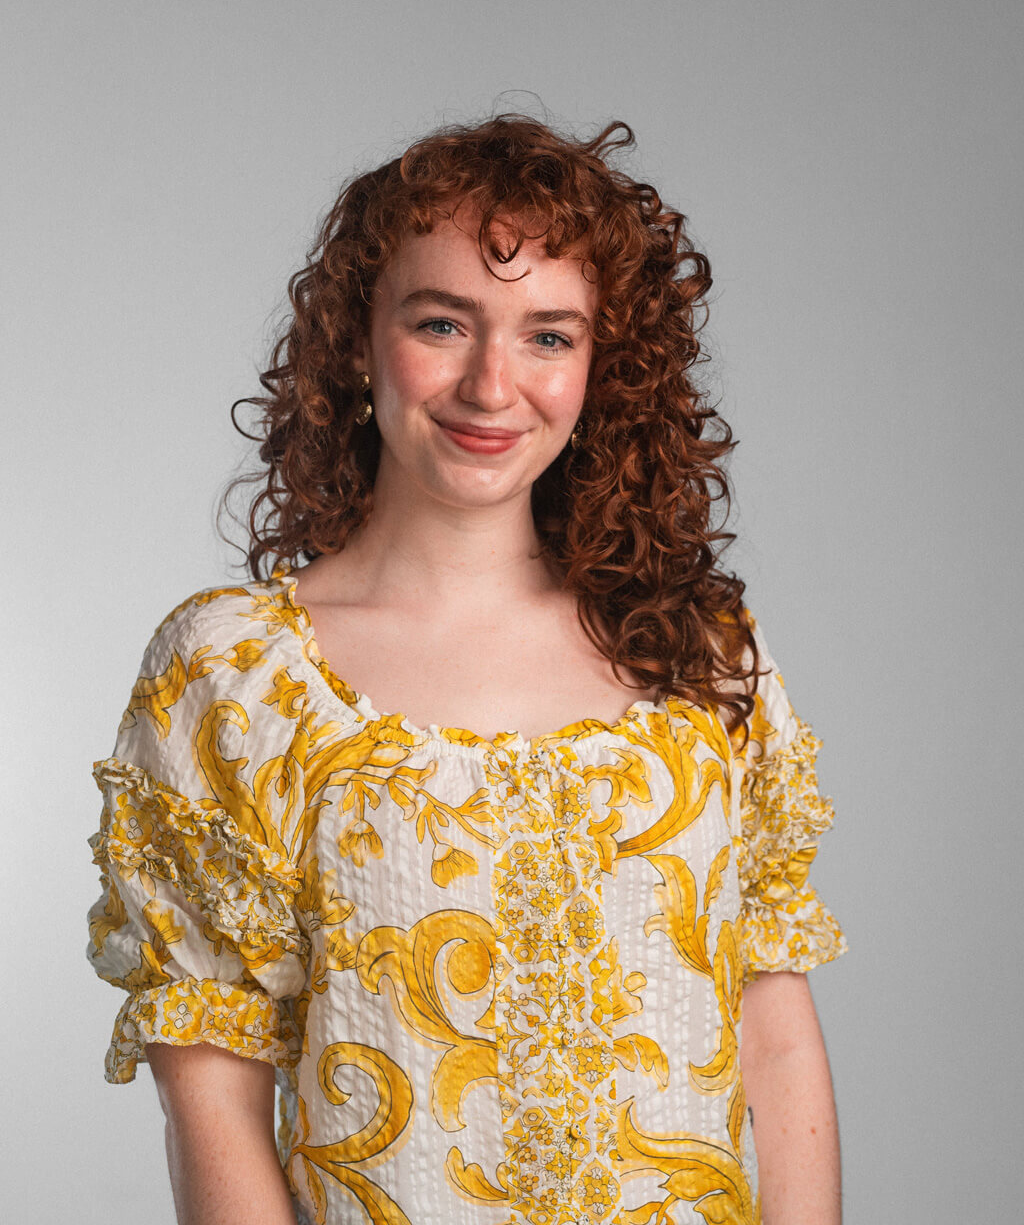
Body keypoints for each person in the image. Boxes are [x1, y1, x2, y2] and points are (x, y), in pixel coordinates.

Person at [86, 114, 848, 1225]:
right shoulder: (237, 675)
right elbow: (212, 1093)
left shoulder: (701, 654)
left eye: (549, 336)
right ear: (357, 337)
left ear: (603, 369)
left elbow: (773, 1033)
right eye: (444, 322)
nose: (493, 385)